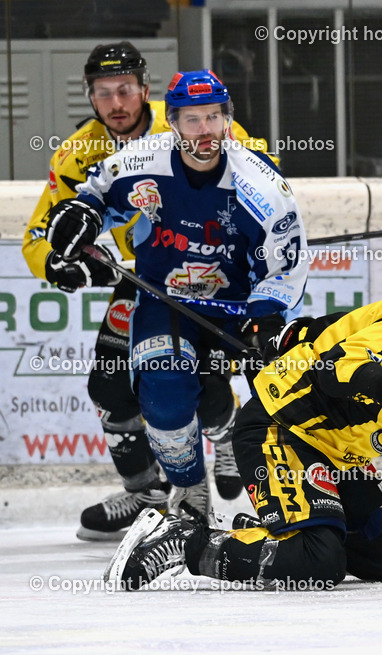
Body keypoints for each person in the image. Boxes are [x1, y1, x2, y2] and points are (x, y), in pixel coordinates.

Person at [102, 252, 382, 591]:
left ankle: (277, 531)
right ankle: (184, 540)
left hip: (333, 452)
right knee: (318, 562)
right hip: (282, 428)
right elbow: (337, 368)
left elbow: (332, 332)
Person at [22, 43, 272, 540]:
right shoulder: (77, 154)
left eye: (125, 90)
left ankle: (224, 432)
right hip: (142, 283)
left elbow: (264, 178)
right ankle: (147, 493)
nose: (116, 103)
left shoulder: (192, 118)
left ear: (145, 89)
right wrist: (58, 264)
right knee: (110, 386)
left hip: (209, 276)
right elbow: (40, 234)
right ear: (90, 97)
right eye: (103, 93)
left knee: (202, 387)